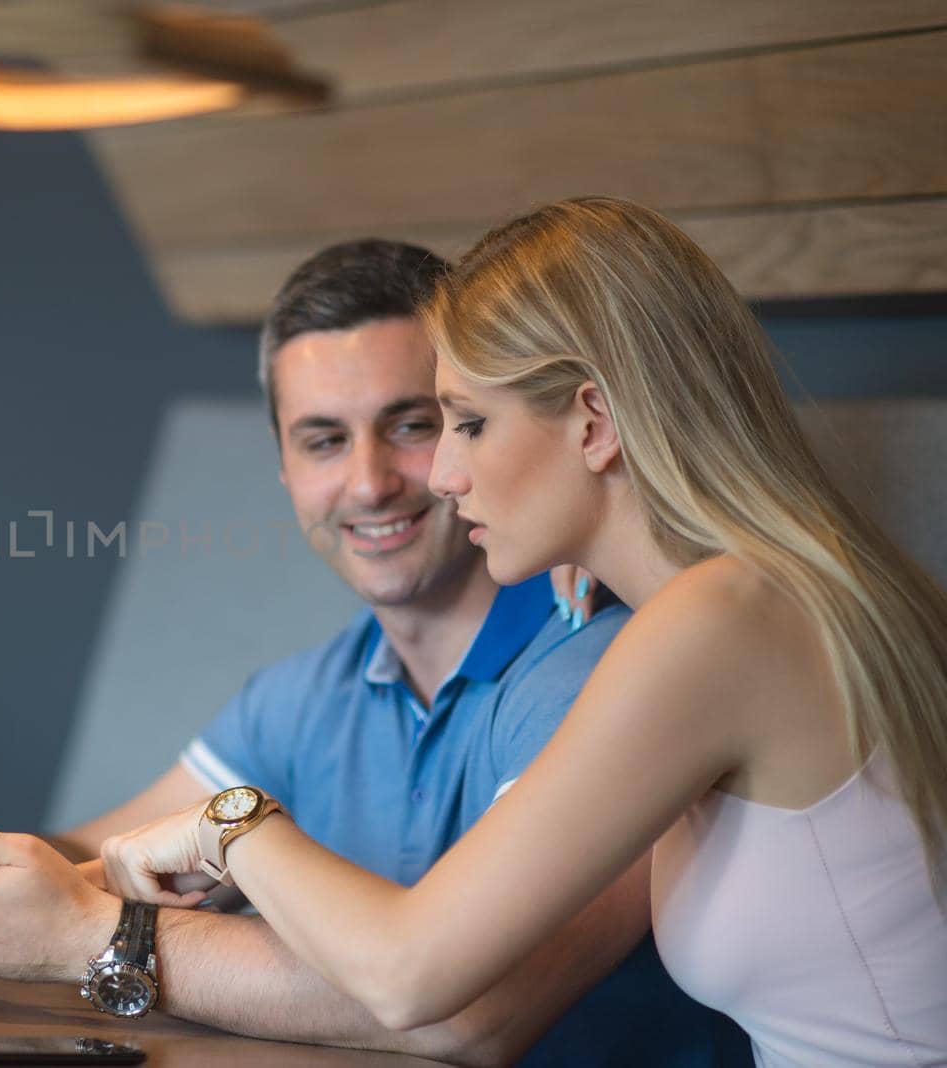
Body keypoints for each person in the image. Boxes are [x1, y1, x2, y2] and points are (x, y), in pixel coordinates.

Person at [0, 240, 748, 1064]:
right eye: (323, 440)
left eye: (417, 424)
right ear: (285, 469)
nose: (372, 482)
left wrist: (95, 938)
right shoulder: (308, 694)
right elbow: (91, 852)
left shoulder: (606, 660)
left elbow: (468, 1015)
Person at [97, 198, 947, 1067]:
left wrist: (230, 825)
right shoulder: (759, 599)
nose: (445, 475)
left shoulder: (716, 623)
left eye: (463, 423)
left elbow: (411, 975)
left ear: (593, 422)